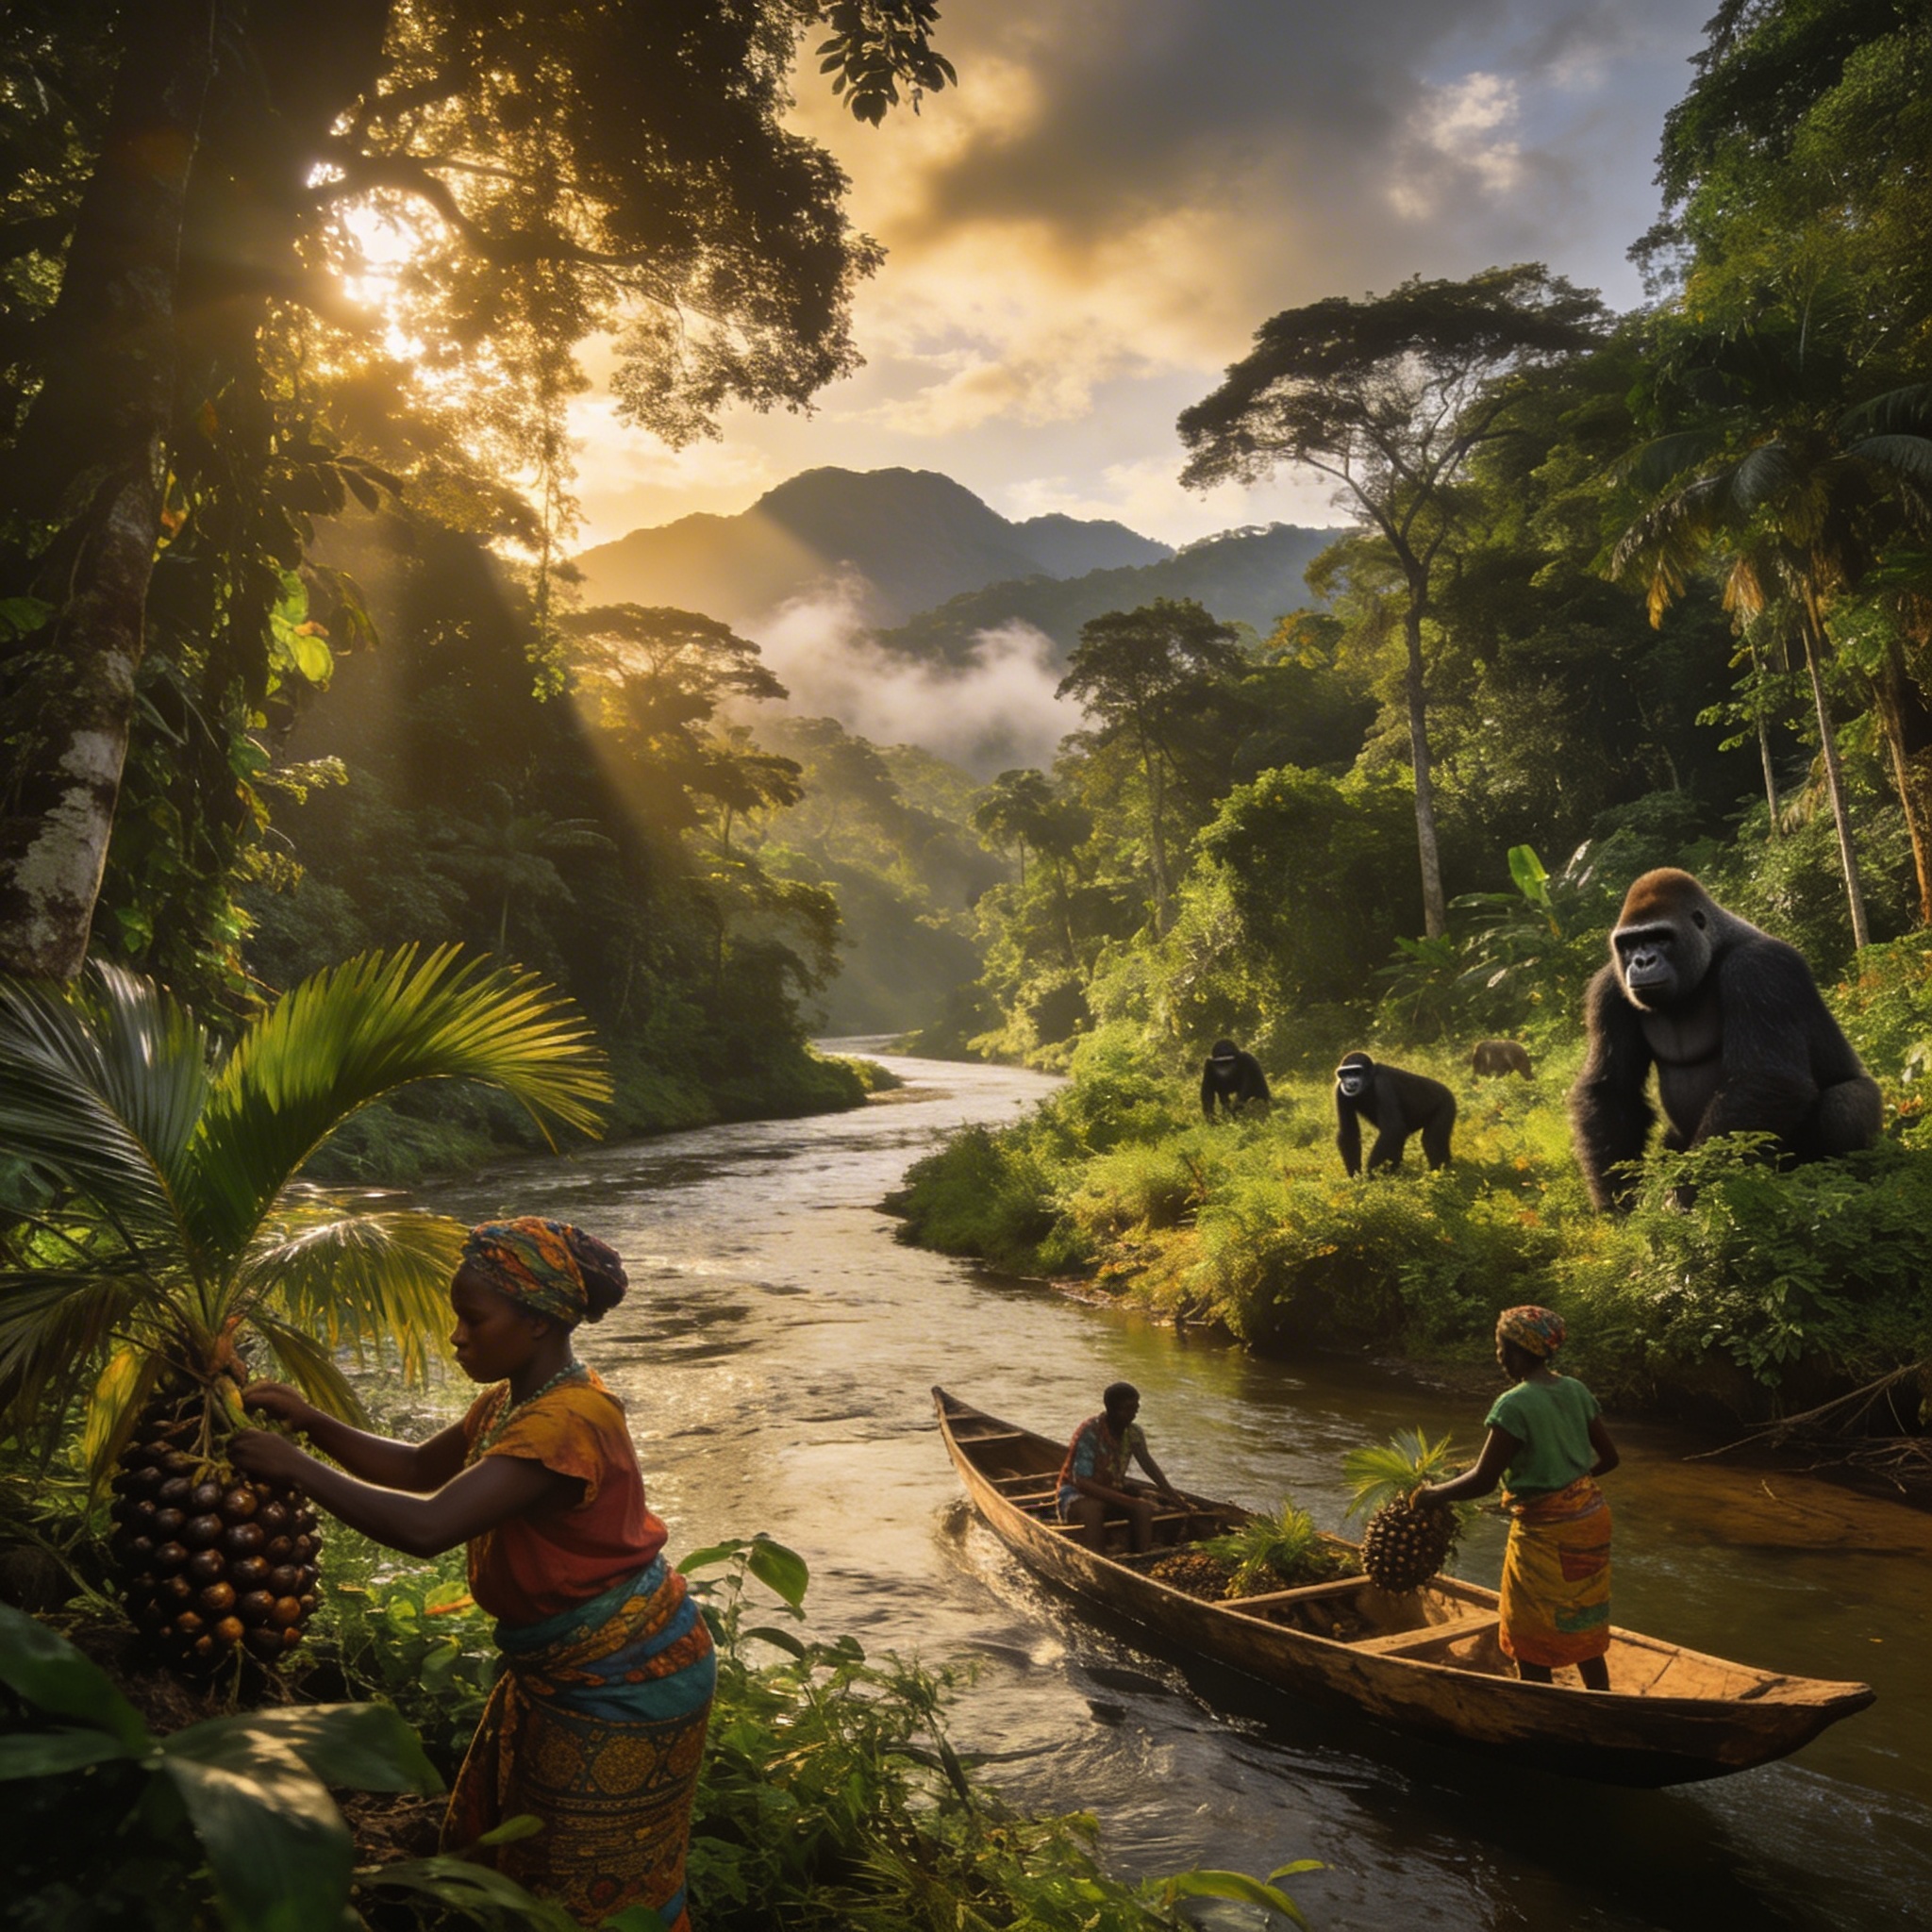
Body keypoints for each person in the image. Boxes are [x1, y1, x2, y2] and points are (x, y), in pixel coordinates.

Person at [231, 1219, 714, 1930]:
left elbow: (428, 1527)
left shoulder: (566, 1423)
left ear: (538, 1321)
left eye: (473, 1319)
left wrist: (295, 1467)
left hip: (626, 1677)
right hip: (574, 1668)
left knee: (590, 1889)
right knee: (538, 1866)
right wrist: (312, 1423)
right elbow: (418, 1469)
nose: (457, 1336)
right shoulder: (516, 1401)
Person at [1414, 1306, 1619, 1690]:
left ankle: (1538, 1703)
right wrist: (1567, 1484)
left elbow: (1483, 1480)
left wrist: (1431, 1496)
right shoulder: (1575, 1390)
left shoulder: (1514, 1404)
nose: (1498, 1356)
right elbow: (1610, 1459)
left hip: (1546, 1532)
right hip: (1591, 1520)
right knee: (1582, 1613)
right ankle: (1602, 1698)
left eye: (1501, 1347)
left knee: (1529, 1625)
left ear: (1516, 1350)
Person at [1057, 1381, 1185, 1553]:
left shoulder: (1133, 1433)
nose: (1134, 1414)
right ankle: (1098, 1555)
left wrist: (1173, 1496)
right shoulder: (1090, 1432)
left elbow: (1148, 1465)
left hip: (1112, 1487)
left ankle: (1142, 1556)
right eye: (1128, 1409)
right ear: (1112, 1410)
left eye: (1136, 1408)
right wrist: (1129, 1501)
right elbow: (1081, 1482)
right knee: (1093, 1509)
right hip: (1076, 1492)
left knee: (1144, 1509)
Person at [1201, 1040, 1271, 1119]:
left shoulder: (1247, 1062)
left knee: (1255, 1110)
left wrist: (1239, 1104)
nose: (1225, 1066)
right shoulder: (1210, 1066)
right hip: (1226, 1089)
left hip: (1252, 1093)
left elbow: (1255, 1088)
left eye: (1228, 1062)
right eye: (1221, 1063)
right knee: (1227, 1112)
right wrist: (1209, 1113)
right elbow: (1207, 1091)